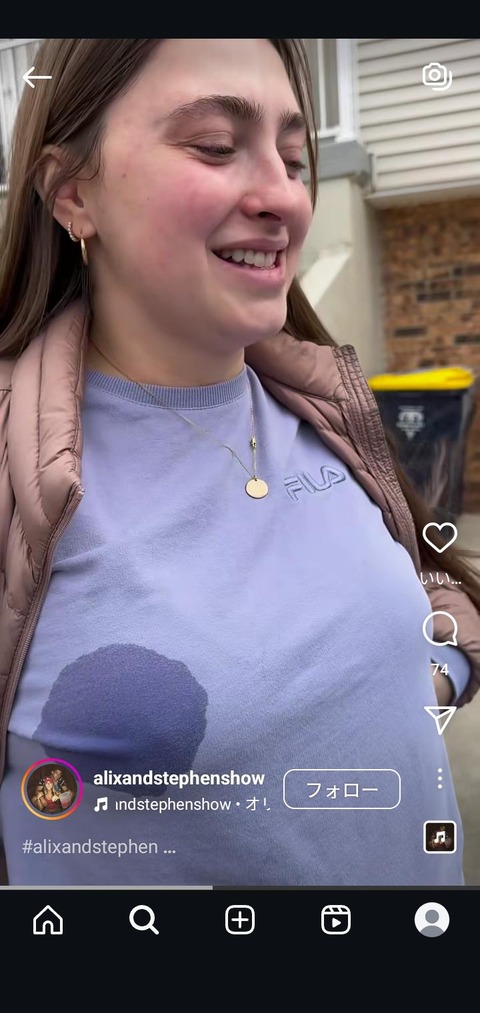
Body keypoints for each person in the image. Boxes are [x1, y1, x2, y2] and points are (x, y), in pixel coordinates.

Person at [0, 38, 479, 887]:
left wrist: (428, 677)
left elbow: (438, 583)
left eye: (293, 157)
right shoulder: (20, 470)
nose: (283, 197)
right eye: (217, 146)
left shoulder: (325, 405)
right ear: (72, 191)